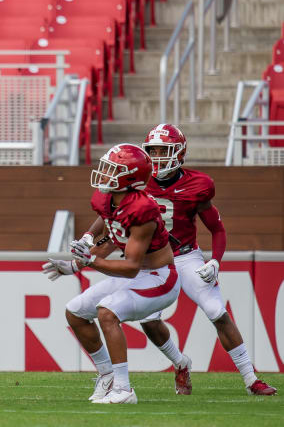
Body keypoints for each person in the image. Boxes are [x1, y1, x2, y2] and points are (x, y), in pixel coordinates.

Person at [137, 124, 274, 395]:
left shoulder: (198, 184)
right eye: (152, 150)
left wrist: (215, 261)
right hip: (154, 261)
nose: (156, 156)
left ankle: (250, 379)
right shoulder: (138, 181)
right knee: (149, 321)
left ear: (178, 153)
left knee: (216, 312)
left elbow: (217, 229)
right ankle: (180, 363)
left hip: (186, 257)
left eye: (163, 150)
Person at [42, 144, 180, 404]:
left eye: (112, 169)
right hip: (138, 274)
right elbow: (111, 226)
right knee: (75, 311)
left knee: (107, 312)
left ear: (130, 177)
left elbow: (130, 266)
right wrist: (79, 255)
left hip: (160, 277)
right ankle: (107, 376)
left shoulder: (143, 210)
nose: (104, 173)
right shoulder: (108, 198)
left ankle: (124, 389)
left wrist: (90, 260)